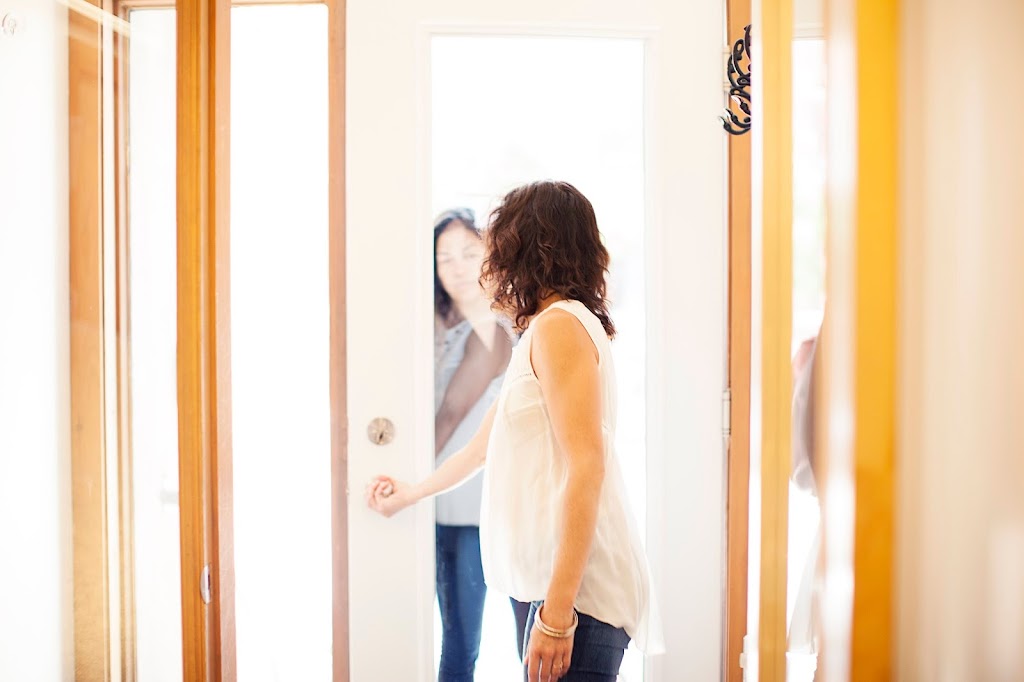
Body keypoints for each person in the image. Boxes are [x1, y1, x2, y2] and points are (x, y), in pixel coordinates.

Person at [368, 182, 661, 682]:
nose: (491, 256)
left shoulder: (560, 327)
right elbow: (482, 448)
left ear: (529, 245)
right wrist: (411, 494)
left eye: (499, 240)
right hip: (556, 589)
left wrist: (558, 613)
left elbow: (587, 468)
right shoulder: (543, 329)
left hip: (577, 597)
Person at [430, 207, 530, 681]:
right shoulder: (444, 325)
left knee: (470, 644)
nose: (456, 267)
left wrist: (410, 478)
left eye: (469, 253)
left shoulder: (495, 326)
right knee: (460, 641)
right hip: (451, 504)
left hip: (481, 504)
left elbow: (452, 412)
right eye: (444, 256)